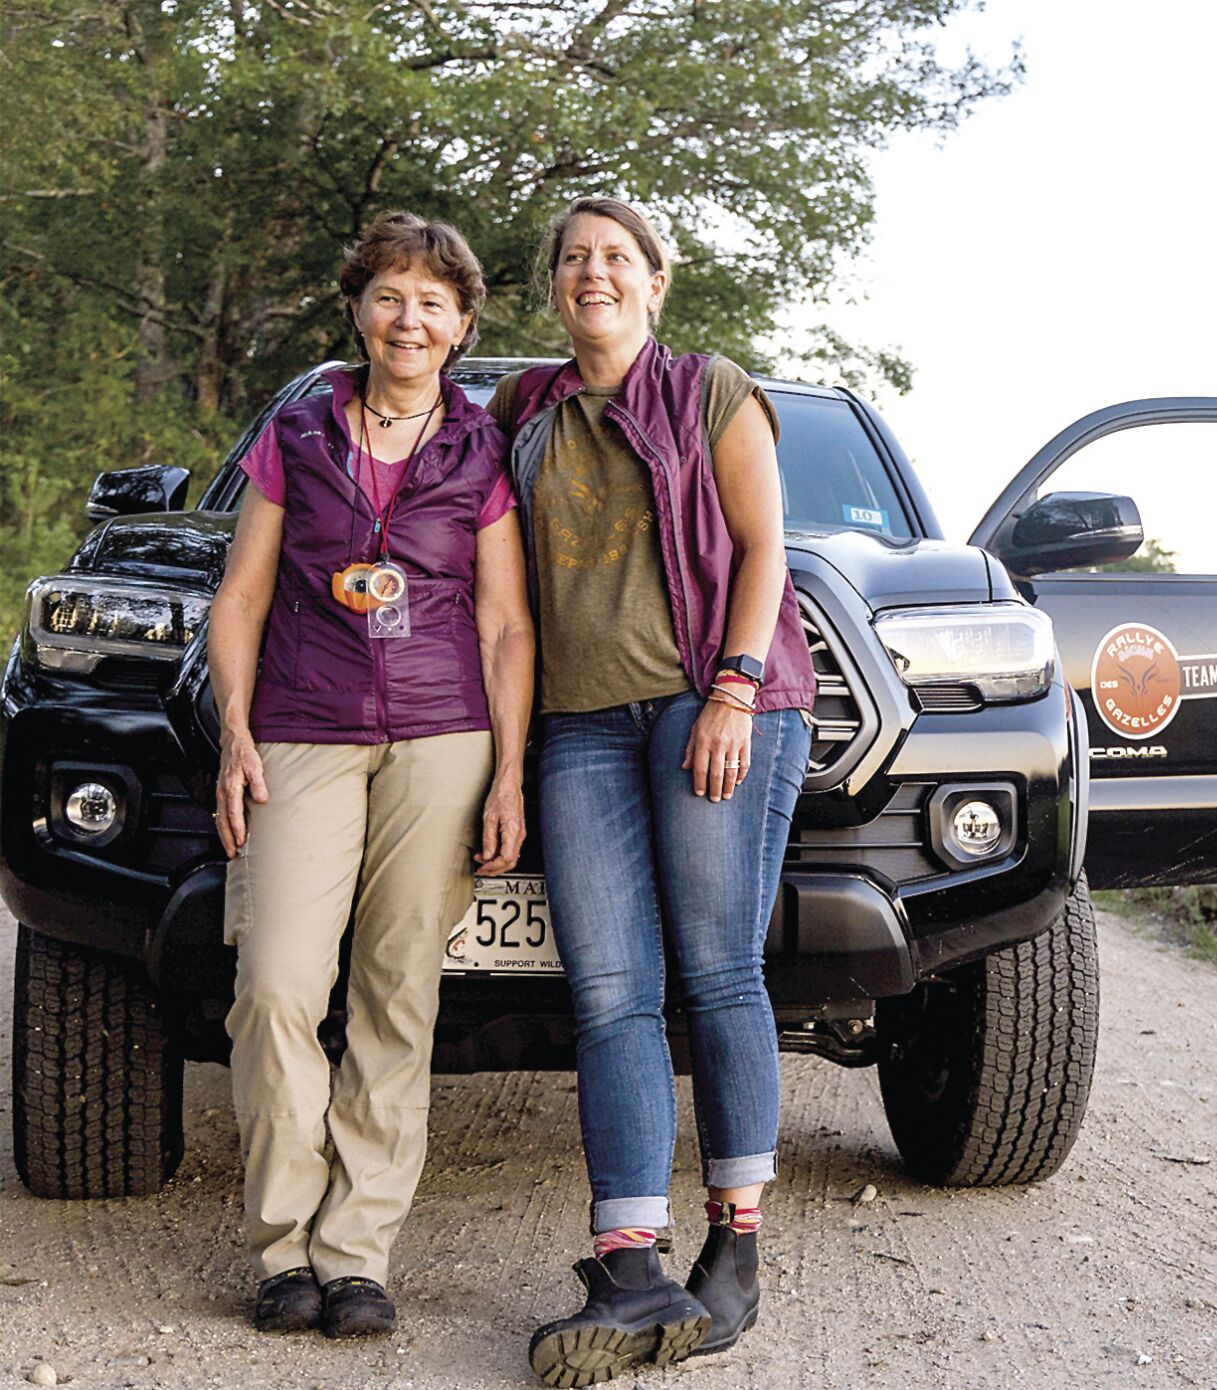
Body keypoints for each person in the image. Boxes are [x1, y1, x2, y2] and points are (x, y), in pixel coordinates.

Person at [486, 197, 815, 1386]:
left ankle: (736, 1247)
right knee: (611, 991)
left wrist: (732, 690)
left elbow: (765, 546)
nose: (593, 272)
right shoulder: (520, 409)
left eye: (615, 256)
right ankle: (631, 1264)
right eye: (573, 256)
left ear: (655, 282)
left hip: (706, 705)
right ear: (553, 287)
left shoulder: (709, 389)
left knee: (718, 968)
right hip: (578, 727)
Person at [208, 211, 534, 1338]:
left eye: (433, 302)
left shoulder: (482, 448)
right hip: (302, 725)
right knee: (279, 989)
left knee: (398, 993)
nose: (410, 318)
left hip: (444, 734)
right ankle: (282, 1243)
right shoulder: (295, 435)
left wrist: (507, 774)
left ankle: (355, 1255)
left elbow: (502, 625)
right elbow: (242, 595)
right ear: (358, 306)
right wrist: (236, 732)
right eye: (391, 295)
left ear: (460, 325)